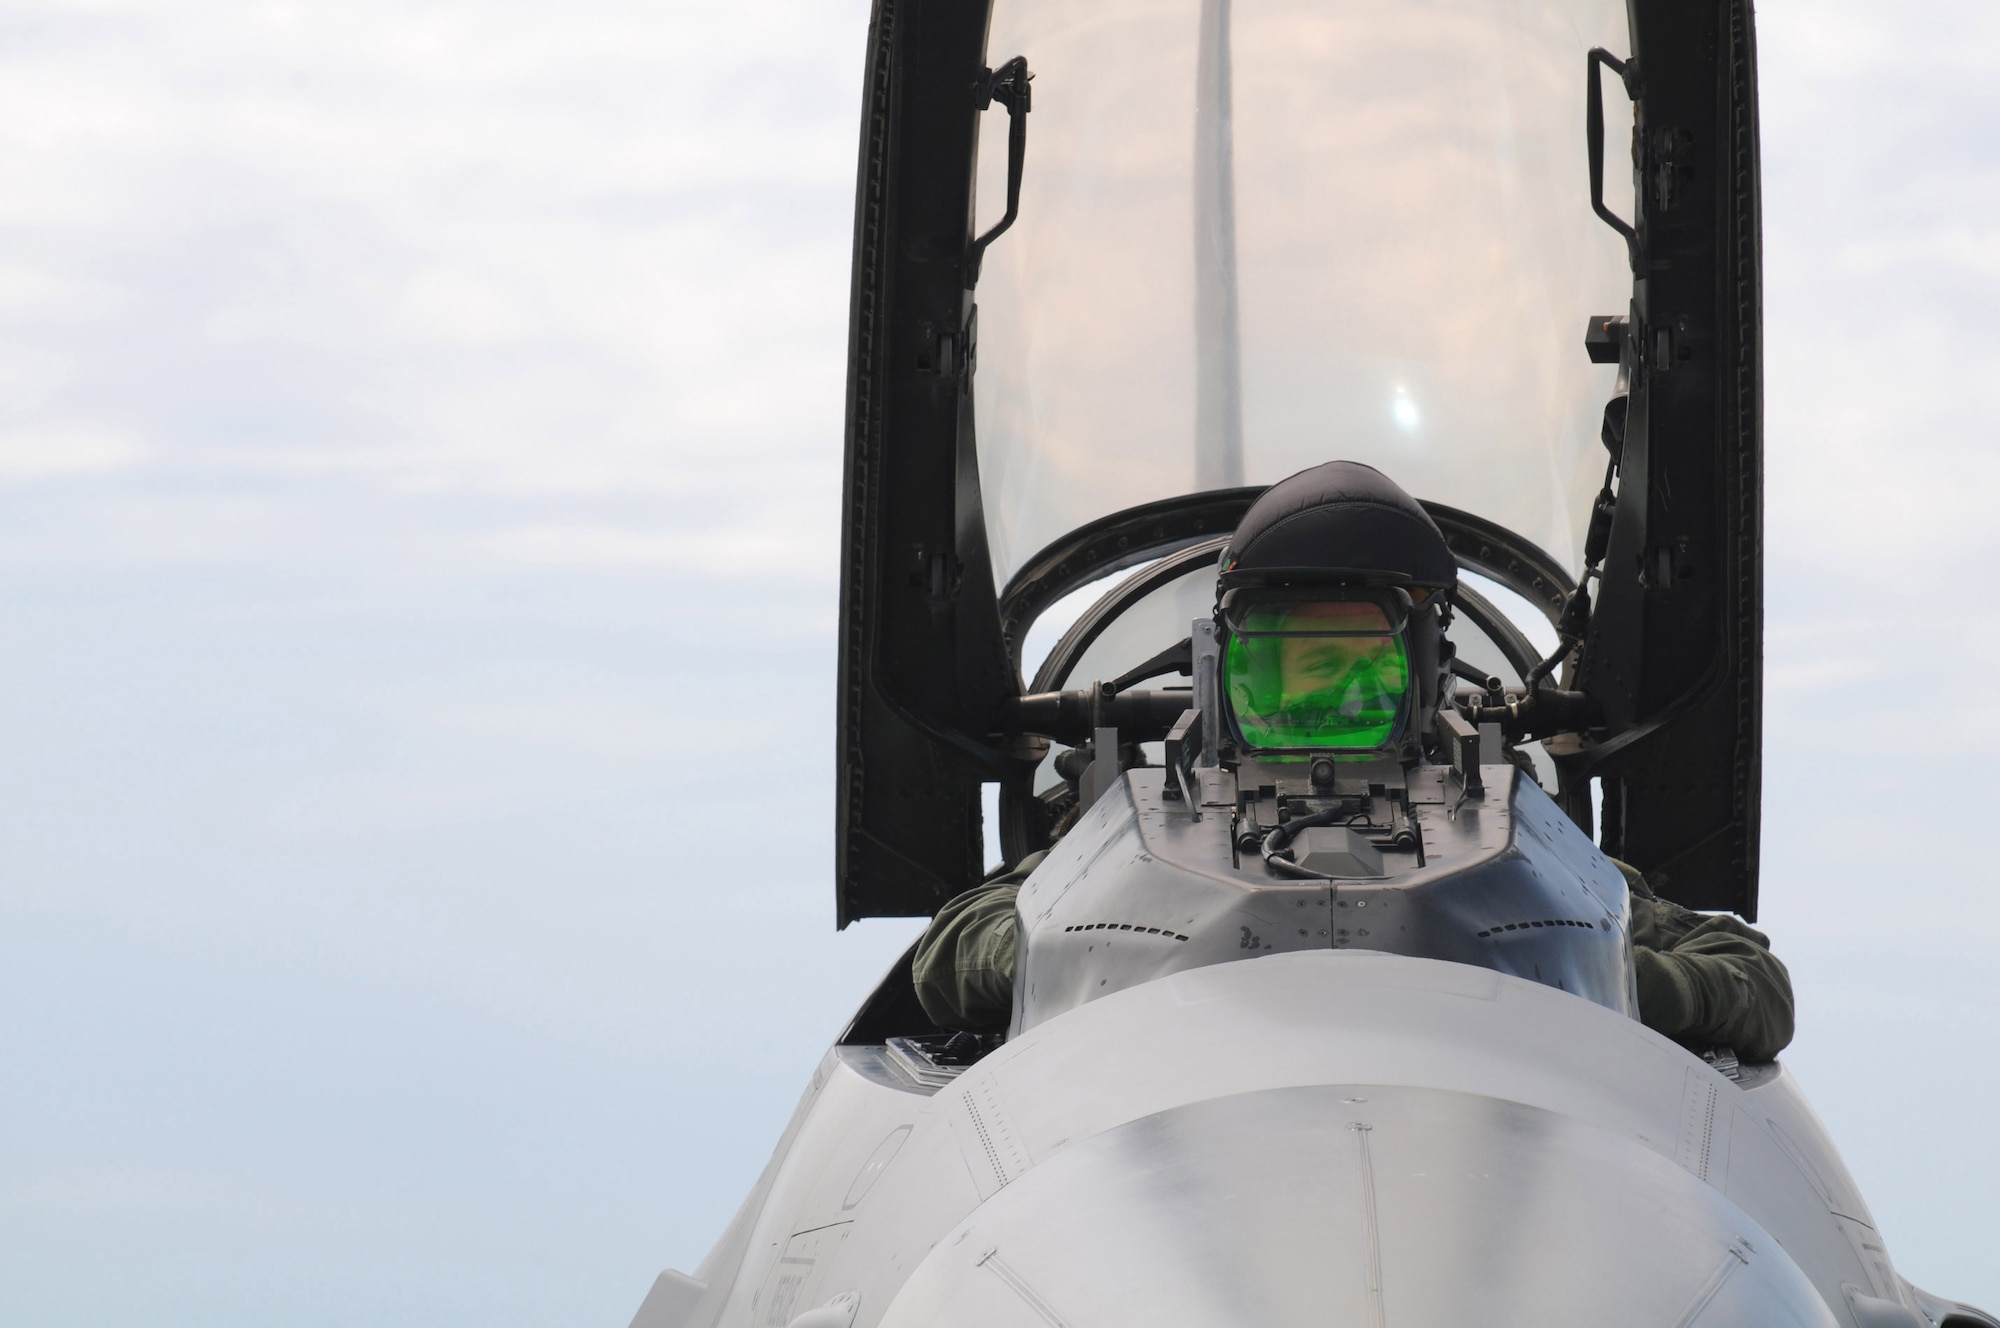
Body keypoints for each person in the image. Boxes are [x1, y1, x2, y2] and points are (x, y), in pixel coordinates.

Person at [912, 460, 1795, 1062]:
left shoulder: (1508, 829)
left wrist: (1596, 969)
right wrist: (1101, 934)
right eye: (1285, 670)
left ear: (1425, 673)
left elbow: (1753, 982)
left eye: (1355, 673)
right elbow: (950, 953)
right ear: (1222, 671)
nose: (1317, 705)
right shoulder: (1145, 821)